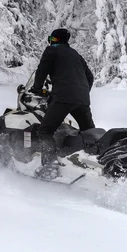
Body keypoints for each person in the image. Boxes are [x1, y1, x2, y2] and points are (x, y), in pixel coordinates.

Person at [29, 28, 95, 179]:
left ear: (55, 40)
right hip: (82, 99)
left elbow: (41, 71)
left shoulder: (52, 50)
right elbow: (90, 76)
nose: (50, 41)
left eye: (51, 39)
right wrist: (83, 92)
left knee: (45, 131)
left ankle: (49, 166)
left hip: (63, 98)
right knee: (89, 132)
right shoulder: (75, 54)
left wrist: (36, 88)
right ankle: (94, 161)